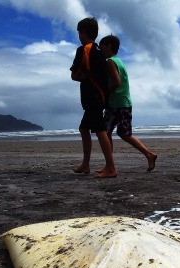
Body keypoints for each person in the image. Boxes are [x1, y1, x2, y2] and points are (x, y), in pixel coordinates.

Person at [98, 34, 157, 172]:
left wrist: (104, 93)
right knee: (123, 134)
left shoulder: (110, 62)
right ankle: (149, 155)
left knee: (105, 133)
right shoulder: (120, 61)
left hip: (115, 103)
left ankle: (109, 165)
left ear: (108, 46)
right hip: (124, 103)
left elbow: (116, 82)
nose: (100, 49)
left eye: (102, 46)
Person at [70, 17, 117, 178]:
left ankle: (111, 168)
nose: (78, 36)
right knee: (84, 128)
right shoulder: (99, 51)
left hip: (92, 96)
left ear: (83, 33)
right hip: (101, 96)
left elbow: (74, 76)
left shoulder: (83, 50)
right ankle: (85, 165)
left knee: (100, 130)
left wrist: (82, 76)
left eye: (79, 32)